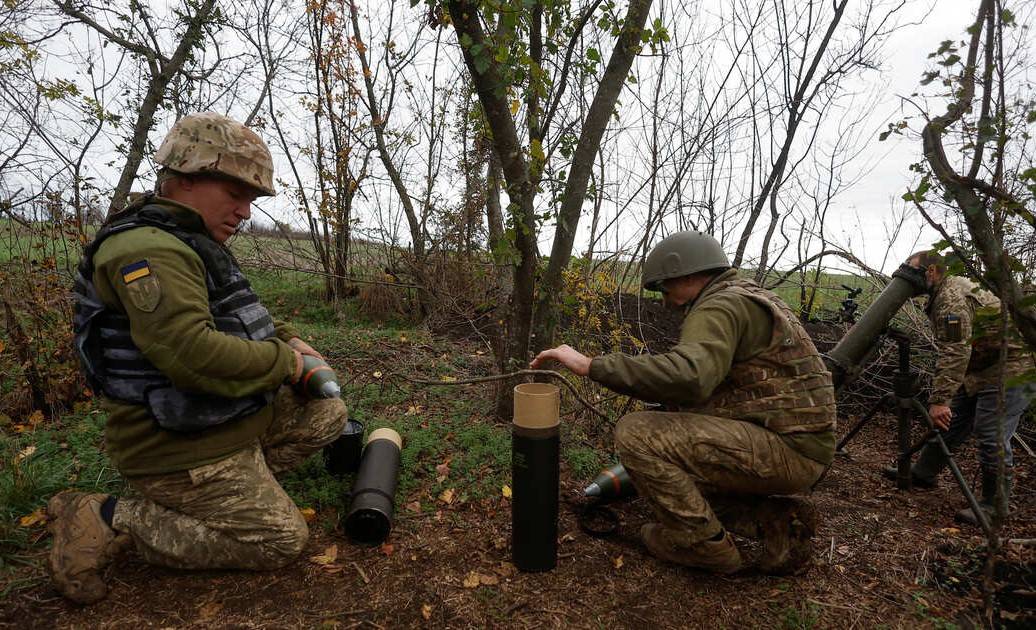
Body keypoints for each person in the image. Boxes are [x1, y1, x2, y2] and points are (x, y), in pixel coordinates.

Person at [49, 112, 349, 604]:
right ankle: (108, 516)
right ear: (186, 177)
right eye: (236, 195)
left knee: (327, 411)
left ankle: (229, 495)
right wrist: (287, 364)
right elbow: (191, 354)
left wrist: (290, 340)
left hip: (218, 419)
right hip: (176, 443)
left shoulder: (191, 240)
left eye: (250, 200)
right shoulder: (147, 250)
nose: (245, 212)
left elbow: (237, 317)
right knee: (281, 540)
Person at [531, 231, 836, 575]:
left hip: (784, 449)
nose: (666, 300)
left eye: (665, 288)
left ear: (688, 274)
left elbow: (690, 377)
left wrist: (592, 365)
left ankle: (703, 547)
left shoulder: (720, 305)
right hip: (799, 447)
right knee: (674, 474)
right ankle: (778, 525)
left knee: (638, 434)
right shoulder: (748, 296)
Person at [883, 250, 1033, 525]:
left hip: (1012, 369)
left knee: (991, 433)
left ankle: (995, 506)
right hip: (982, 367)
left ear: (931, 272)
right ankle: (925, 472)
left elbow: (955, 351)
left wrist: (939, 399)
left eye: (913, 271)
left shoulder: (951, 299)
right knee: (952, 423)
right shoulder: (947, 290)